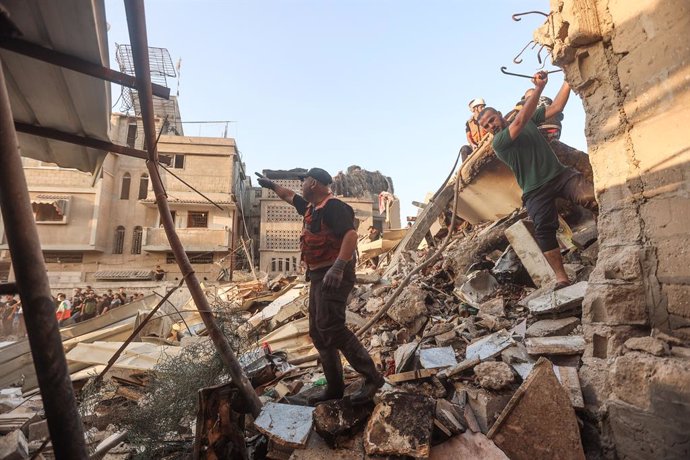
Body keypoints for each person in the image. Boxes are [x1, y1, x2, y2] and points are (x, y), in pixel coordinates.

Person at [257, 168, 384, 404]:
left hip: (334, 275)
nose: (301, 185)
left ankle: (373, 377)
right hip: (317, 276)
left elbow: (350, 236)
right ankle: (335, 389)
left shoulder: (334, 207)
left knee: (333, 328)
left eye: (303, 181)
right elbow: (287, 195)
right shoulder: (311, 208)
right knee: (318, 331)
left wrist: (338, 267)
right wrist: (270, 185)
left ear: (313, 183)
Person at [478, 72, 596, 289]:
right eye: (486, 126)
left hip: (559, 175)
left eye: (492, 119)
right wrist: (539, 88)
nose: (491, 126)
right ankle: (562, 278)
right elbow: (521, 120)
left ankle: (608, 240)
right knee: (544, 230)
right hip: (534, 190)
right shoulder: (500, 142)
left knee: (591, 196)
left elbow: (557, 107)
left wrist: (568, 79)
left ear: (500, 115)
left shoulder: (527, 119)